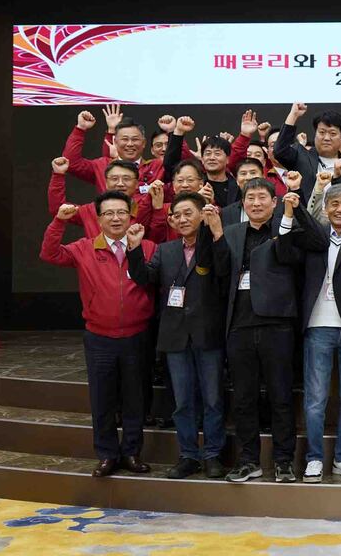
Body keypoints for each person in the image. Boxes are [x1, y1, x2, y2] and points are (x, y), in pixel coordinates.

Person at [40, 191, 155, 478]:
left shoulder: (148, 247)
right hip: (99, 337)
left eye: (121, 212)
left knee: (135, 398)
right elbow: (50, 254)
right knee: (102, 398)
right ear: (99, 219)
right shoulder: (85, 248)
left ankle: (131, 452)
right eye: (109, 213)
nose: (116, 218)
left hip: (137, 335)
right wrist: (58, 222)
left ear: (131, 216)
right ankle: (106, 455)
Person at [126, 193, 228, 480]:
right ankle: (188, 456)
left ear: (202, 215)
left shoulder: (216, 243)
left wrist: (216, 233)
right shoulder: (165, 250)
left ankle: (213, 454)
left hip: (208, 334)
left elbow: (224, 272)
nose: (182, 219)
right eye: (177, 215)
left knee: (212, 400)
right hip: (175, 336)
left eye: (188, 213)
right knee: (182, 402)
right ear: (171, 221)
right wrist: (134, 248)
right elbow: (144, 278)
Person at [219, 179, 305, 484]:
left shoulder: (287, 230)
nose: (256, 203)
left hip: (277, 324)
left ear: (274, 202)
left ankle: (284, 461)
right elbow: (220, 273)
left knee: (281, 396)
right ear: (242, 203)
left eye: (262, 198)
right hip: (239, 325)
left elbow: (294, 262)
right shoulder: (231, 233)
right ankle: (248, 460)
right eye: (250, 198)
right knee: (244, 398)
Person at [289, 183, 341, 483]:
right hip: (317, 325)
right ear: (325, 208)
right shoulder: (316, 236)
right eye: (334, 203)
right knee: (315, 399)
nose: (339, 209)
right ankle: (314, 458)